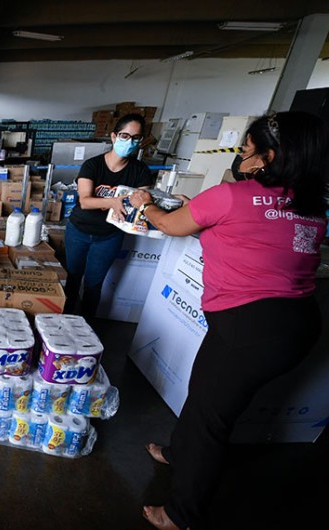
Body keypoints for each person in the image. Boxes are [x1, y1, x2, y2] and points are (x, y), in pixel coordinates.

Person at [127, 111, 329, 530]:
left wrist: (146, 204)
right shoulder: (311, 206)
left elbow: (168, 224)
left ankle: (182, 513)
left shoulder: (231, 195)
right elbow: (248, 235)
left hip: (249, 328)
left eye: (248, 149)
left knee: (210, 420)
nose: (243, 157)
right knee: (203, 393)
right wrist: (199, 211)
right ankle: (178, 453)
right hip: (296, 323)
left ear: (269, 156)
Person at [63, 113, 154, 321]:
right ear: (114, 137)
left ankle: (85, 328)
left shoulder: (140, 171)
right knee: (72, 279)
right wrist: (112, 202)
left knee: (93, 285)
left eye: (136, 138)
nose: (129, 142)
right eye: (125, 136)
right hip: (79, 231)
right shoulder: (92, 165)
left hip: (109, 236)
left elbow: (142, 203)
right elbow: (85, 201)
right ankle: (63, 323)